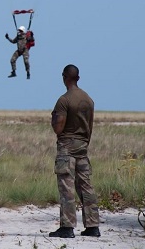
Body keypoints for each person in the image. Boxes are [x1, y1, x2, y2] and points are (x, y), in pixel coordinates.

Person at [48, 64, 101, 239]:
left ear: (64, 77)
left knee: (67, 187)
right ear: (78, 77)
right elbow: (90, 126)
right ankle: (92, 225)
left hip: (67, 148)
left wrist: (53, 119)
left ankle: (67, 226)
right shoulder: (88, 99)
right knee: (86, 186)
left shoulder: (64, 100)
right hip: (83, 146)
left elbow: (58, 127)